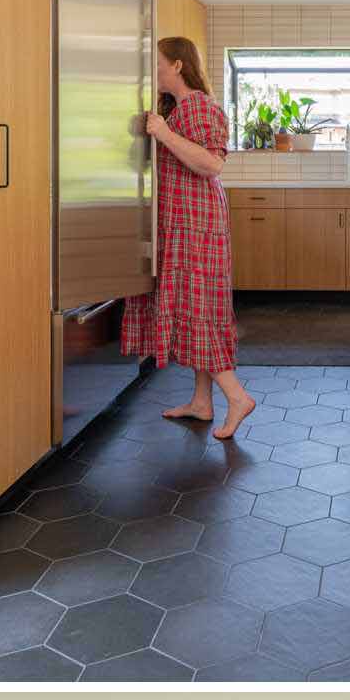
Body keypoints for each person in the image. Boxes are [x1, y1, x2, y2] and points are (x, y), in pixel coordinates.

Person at [121, 37, 256, 437]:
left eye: (158, 62)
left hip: (195, 224)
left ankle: (237, 396)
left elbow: (212, 163)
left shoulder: (198, 106)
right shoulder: (176, 108)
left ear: (178, 65)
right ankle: (201, 401)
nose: (153, 69)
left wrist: (162, 133)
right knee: (196, 306)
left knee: (197, 309)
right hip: (180, 221)